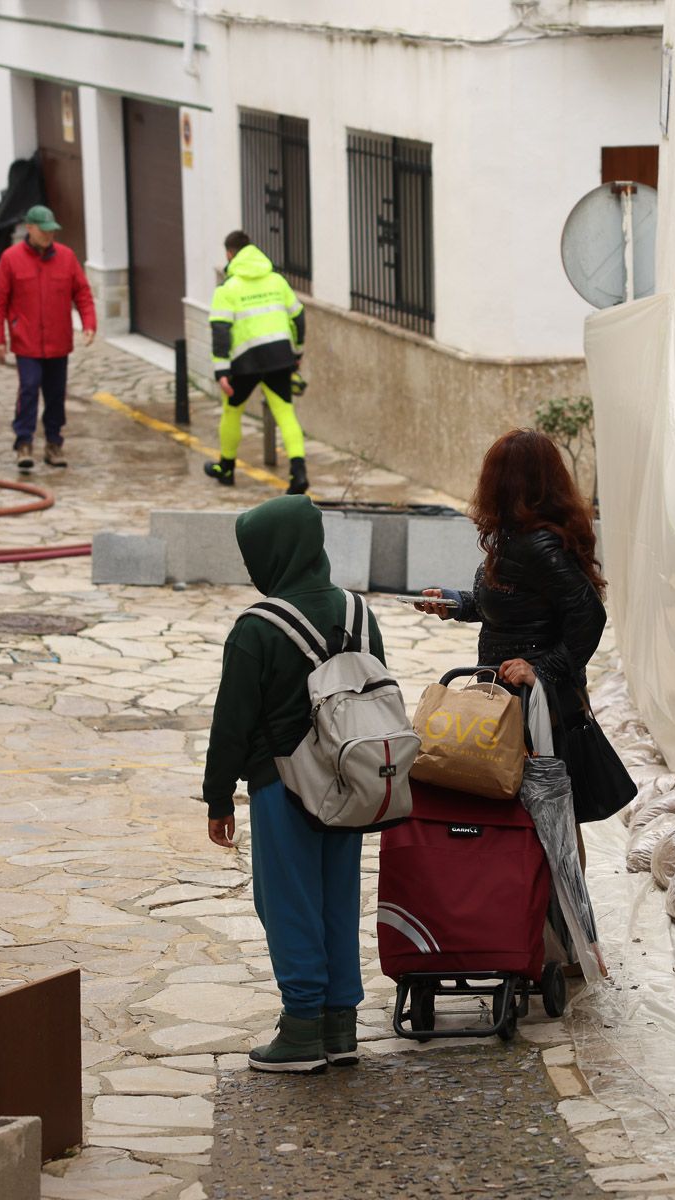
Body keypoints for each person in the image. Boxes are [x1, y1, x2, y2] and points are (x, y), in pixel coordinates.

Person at [203, 496, 383, 1072]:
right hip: (351, 781)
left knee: (288, 903)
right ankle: (340, 1025)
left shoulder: (256, 629)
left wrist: (216, 795)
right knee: (337, 900)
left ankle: (301, 1031)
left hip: (282, 785)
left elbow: (232, 721)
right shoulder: (360, 614)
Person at [419, 429, 608, 752]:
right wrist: (453, 603)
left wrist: (543, 670)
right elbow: (512, 606)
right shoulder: (517, 536)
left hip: (530, 705)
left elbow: (589, 614)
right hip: (511, 698)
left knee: (534, 793)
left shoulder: (538, 545)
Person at [0, 205, 97, 473]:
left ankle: (53, 442)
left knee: (56, 393)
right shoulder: (10, 259)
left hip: (58, 341)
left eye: (52, 231)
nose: (49, 236)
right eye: (44, 231)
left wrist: (89, 324)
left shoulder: (67, 258)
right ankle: (24, 442)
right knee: (29, 386)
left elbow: (82, 293)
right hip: (26, 341)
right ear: (30, 229)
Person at [206, 231, 310, 495]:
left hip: (245, 361)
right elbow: (298, 317)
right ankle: (298, 473)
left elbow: (220, 330)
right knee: (285, 413)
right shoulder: (277, 280)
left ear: (230, 254)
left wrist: (222, 370)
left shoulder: (227, 289)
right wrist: (297, 353)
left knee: (232, 411)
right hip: (279, 356)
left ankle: (226, 468)